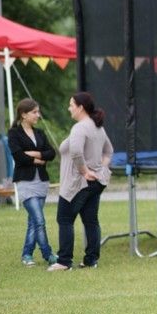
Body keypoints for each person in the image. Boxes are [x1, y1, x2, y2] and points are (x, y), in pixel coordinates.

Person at [48, 92, 114, 271]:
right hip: (95, 182)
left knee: (64, 219)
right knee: (91, 221)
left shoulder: (80, 128)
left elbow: (76, 152)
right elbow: (109, 151)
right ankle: (91, 260)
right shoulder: (97, 127)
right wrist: (100, 169)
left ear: (80, 107)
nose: (69, 108)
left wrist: (85, 171)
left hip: (78, 183)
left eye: (71, 105)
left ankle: (64, 262)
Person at [8, 98, 58, 267]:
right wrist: (39, 159)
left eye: (38, 111)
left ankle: (27, 254)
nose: (38, 115)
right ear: (23, 114)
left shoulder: (40, 133)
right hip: (25, 182)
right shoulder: (14, 133)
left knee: (33, 222)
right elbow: (19, 157)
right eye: (34, 112)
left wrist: (34, 153)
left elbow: (51, 153)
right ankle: (48, 254)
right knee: (39, 220)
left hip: (41, 182)